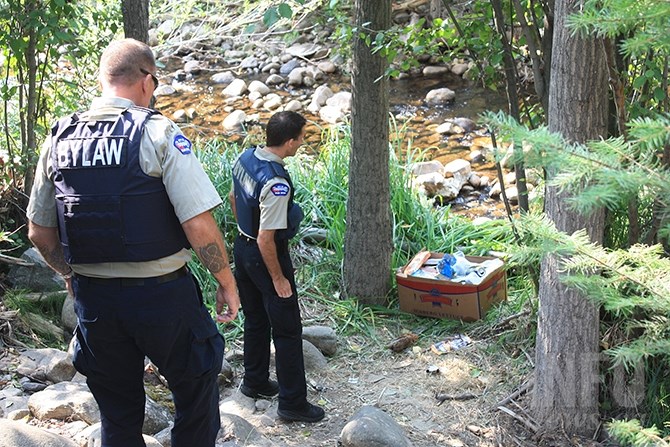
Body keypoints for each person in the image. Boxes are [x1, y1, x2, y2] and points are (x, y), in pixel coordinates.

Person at [26, 38, 240, 447]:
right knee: (195, 391)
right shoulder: (158, 132)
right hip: (162, 298)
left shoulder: (60, 137)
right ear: (146, 81)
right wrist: (226, 280)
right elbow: (199, 225)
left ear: (105, 79)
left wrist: (68, 274)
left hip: (95, 301)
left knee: (118, 414)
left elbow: (39, 231)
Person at [229, 111, 325, 423]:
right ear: (288, 141)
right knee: (287, 330)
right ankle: (293, 403)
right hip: (263, 254)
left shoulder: (245, 158)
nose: (301, 143)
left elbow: (233, 197)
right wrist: (278, 278)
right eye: (300, 138)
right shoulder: (276, 182)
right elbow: (267, 239)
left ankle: (254, 381)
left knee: (256, 319)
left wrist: (244, 232)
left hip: (242, 246)